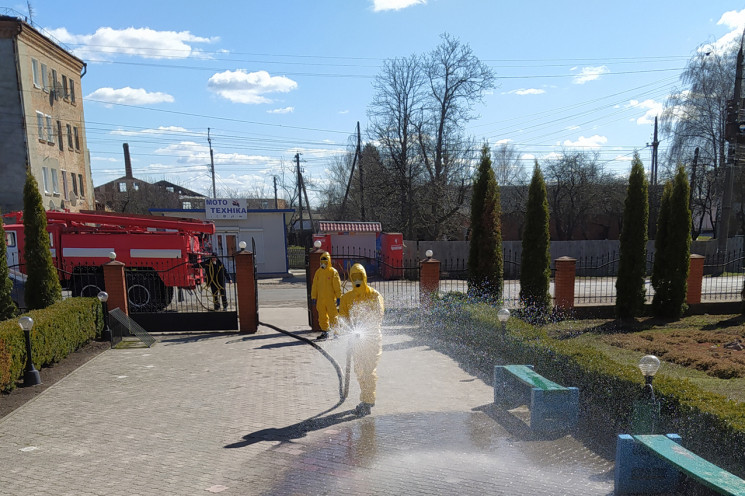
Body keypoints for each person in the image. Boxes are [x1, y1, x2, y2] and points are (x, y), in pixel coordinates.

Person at [337, 263, 384, 416]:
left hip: (372, 338)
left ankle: (367, 401)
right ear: (351, 278)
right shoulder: (346, 298)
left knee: (369, 370)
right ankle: (367, 398)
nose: (357, 280)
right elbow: (343, 318)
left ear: (364, 277)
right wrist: (347, 331)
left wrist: (364, 326)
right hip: (355, 341)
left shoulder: (374, 295)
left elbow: (378, 315)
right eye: (354, 277)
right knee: (360, 371)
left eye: (360, 277)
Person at [310, 251, 341, 340]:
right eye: (322, 261)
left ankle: (336, 333)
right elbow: (314, 285)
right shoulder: (318, 272)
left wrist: (339, 296)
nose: (323, 263)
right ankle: (325, 332)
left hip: (330, 299)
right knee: (322, 316)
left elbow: (337, 285)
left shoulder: (333, 272)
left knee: (333, 316)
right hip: (321, 300)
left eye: (325, 261)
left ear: (329, 261)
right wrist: (314, 296)